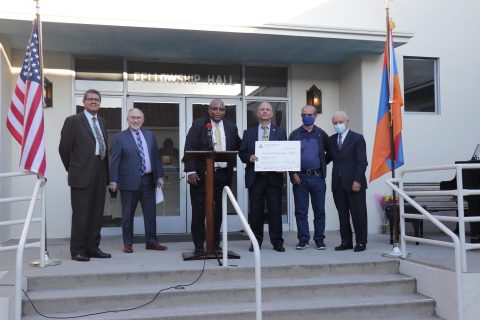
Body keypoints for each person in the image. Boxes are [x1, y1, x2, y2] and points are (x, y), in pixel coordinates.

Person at [59, 89, 111, 262]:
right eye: (90, 99)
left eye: (97, 100)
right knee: (81, 214)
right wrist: (73, 168)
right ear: (84, 102)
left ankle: (93, 247)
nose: (94, 102)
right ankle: (78, 250)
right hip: (81, 173)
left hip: (100, 170)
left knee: (97, 213)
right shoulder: (73, 121)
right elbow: (64, 149)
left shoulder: (102, 121)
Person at [184, 99, 240, 254]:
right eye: (214, 109)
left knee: (218, 212)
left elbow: (239, 146)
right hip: (201, 176)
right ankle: (198, 246)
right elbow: (189, 147)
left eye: (221, 109)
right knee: (199, 211)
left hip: (222, 176)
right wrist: (190, 171)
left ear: (224, 111)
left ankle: (214, 244)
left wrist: (255, 153)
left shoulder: (230, 126)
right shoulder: (199, 125)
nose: (217, 112)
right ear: (209, 110)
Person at [109, 108, 168, 253]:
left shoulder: (150, 135)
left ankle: (152, 242)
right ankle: (128, 243)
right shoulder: (120, 137)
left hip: (148, 180)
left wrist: (159, 175)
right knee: (127, 213)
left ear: (143, 120)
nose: (135, 120)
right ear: (127, 119)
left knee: (150, 213)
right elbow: (114, 160)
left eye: (138, 118)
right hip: (128, 182)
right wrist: (113, 180)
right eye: (132, 118)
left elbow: (155, 157)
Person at [239, 102, 286, 253]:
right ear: (257, 114)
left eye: (268, 109)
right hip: (256, 177)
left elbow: (284, 152)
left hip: (274, 177)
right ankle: (255, 242)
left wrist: (282, 165)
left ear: (272, 114)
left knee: (275, 211)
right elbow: (242, 153)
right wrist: (249, 157)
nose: (265, 112)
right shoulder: (249, 133)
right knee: (255, 212)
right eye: (262, 110)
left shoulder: (280, 132)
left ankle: (277, 242)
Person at [288, 105, 331, 250]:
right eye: (304, 114)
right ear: (301, 116)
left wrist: (322, 164)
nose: (307, 116)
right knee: (301, 211)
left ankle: (319, 239)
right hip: (300, 178)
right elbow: (288, 156)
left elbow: (330, 152)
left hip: (318, 178)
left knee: (319, 211)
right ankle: (303, 240)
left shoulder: (321, 134)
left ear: (315, 116)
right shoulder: (294, 134)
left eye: (310, 114)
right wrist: (292, 173)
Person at [328, 111, 368, 252]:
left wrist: (357, 180)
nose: (338, 125)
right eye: (335, 123)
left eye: (340, 122)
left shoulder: (357, 138)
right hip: (337, 183)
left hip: (354, 183)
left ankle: (361, 242)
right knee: (342, 214)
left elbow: (362, 162)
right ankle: (346, 242)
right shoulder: (332, 140)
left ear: (347, 122)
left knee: (358, 213)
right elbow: (326, 158)